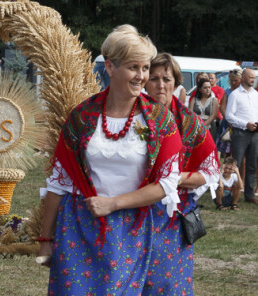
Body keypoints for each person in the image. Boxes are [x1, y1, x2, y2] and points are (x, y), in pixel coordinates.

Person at [38, 25, 182, 295]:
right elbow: (59, 182)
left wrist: (112, 204)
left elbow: (167, 184)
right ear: (110, 67)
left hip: (131, 229)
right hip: (78, 229)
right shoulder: (82, 116)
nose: (141, 76)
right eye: (133, 67)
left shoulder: (160, 120)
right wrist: (46, 239)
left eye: (145, 67)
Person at [143, 53, 220, 295]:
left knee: (168, 284)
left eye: (166, 78)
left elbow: (210, 171)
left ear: (177, 83)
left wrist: (174, 179)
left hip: (171, 216)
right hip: (132, 211)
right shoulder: (131, 117)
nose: (160, 85)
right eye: (153, 78)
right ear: (144, 81)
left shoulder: (190, 123)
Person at [225, 68, 258, 204]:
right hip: (241, 133)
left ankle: (249, 195)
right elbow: (229, 115)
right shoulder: (235, 94)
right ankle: (231, 194)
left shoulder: (255, 94)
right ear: (243, 78)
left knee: (252, 165)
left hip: (255, 133)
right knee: (235, 164)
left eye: (254, 77)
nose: (253, 80)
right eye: (250, 77)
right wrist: (245, 124)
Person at [216, 68, 242, 159]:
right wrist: (229, 120)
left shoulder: (243, 92)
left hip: (241, 122)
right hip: (228, 122)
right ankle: (228, 169)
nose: (233, 83)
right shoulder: (227, 91)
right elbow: (222, 107)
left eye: (236, 81)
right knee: (227, 150)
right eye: (232, 81)